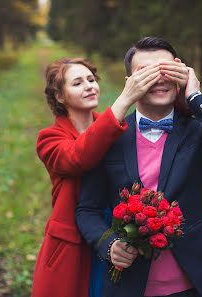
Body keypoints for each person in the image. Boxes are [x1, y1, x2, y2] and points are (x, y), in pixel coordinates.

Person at [75, 37, 202, 297]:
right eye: (146, 73)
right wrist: (110, 245)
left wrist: (194, 95)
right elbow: (86, 210)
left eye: (167, 70)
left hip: (189, 282)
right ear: (129, 84)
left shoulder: (196, 131)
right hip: (128, 285)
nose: (159, 79)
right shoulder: (108, 136)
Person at [31, 57, 172, 297]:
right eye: (77, 83)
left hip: (118, 231)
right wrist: (125, 98)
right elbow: (79, 157)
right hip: (74, 242)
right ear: (60, 97)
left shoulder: (116, 127)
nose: (89, 86)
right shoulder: (49, 138)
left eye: (91, 80)